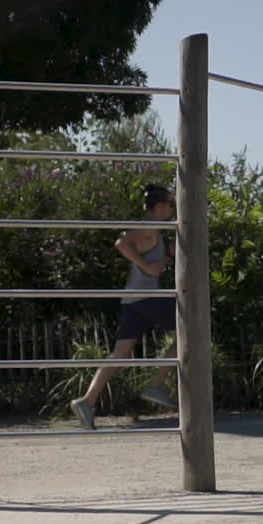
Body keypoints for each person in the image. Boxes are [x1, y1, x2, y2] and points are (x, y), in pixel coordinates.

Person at [70, 184, 178, 430]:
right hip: (147, 297)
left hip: (132, 299)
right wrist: (146, 265)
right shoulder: (149, 225)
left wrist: (166, 258)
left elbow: (150, 266)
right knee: (187, 337)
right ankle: (156, 385)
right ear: (160, 206)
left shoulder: (153, 231)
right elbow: (121, 243)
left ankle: (87, 401)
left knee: (120, 354)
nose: (173, 208)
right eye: (171, 204)